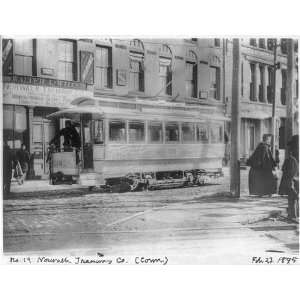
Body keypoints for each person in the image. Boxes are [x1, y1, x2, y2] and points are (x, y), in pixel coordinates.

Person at [279, 135, 299, 220]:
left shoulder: (291, 158)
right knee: (295, 196)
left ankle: (292, 215)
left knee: (292, 197)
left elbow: (286, 170)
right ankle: (295, 214)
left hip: (292, 179)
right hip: (295, 178)